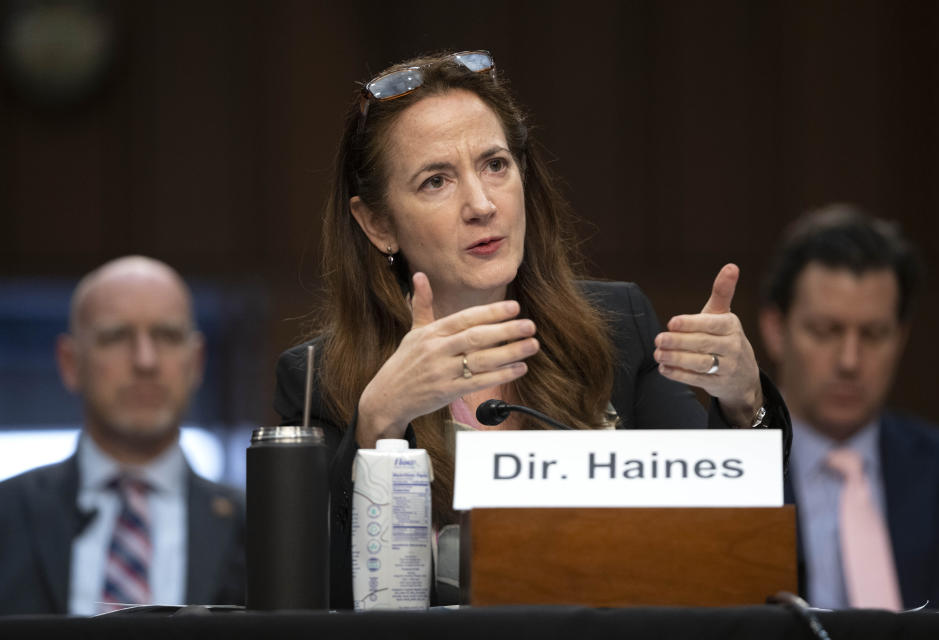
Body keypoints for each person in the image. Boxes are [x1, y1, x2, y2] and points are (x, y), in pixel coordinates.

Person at [273, 50, 791, 609]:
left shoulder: (619, 328)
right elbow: (311, 598)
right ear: (378, 224)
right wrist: (378, 423)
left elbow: (720, 541)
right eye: (436, 181)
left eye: (496, 165)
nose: (481, 204)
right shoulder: (317, 380)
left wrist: (744, 404)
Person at [0, 256, 245, 615]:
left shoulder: (254, 528)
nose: (145, 360)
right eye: (115, 336)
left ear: (196, 362)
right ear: (70, 362)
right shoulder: (7, 515)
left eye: (167, 336)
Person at [758, 205, 939, 610]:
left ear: (900, 338)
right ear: (776, 330)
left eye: (873, 334)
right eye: (826, 331)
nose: (850, 360)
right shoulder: (730, 477)